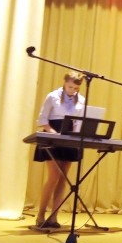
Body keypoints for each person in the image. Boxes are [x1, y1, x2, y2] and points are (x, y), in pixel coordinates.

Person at [33, 71, 86, 228]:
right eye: (70, 87)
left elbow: (79, 121)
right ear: (64, 83)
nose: (72, 90)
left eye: (76, 88)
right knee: (54, 176)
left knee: (64, 178)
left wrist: (77, 134)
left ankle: (54, 216)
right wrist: (54, 133)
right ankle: (40, 215)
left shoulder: (81, 99)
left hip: (70, 137)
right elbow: (43, 119)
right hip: (53, 135)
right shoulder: (52, 96)